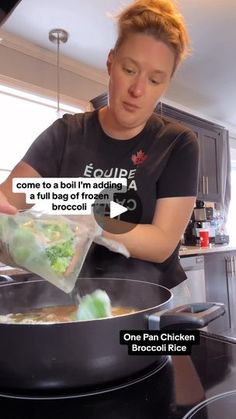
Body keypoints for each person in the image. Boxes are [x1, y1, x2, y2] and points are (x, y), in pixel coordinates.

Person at [0, 0, 199, 299]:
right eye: (129, 69)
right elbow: (11, 197)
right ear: (111, 63)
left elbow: (162, 245)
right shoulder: (65, 134)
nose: (138, 90)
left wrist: (91, 222)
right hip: (79, 300)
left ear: (166, 85)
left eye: (155, 80)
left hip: (157, 302)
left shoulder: (178, 143)